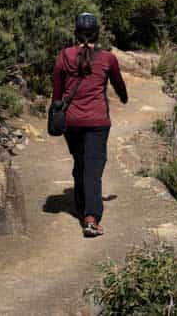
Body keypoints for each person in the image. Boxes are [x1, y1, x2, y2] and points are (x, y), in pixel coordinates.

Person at [51, 12, 128, 237]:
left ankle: (80, 205)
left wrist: (57, 110)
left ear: (75, 33)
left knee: (80, 162)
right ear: (97, 33)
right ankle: (91, 217)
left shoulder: (64, 56)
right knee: (93, 168)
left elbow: (57, 90)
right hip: (97, 122)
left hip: (71, 121)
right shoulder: (107, 58)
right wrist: (123, 97)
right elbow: (118, 83)